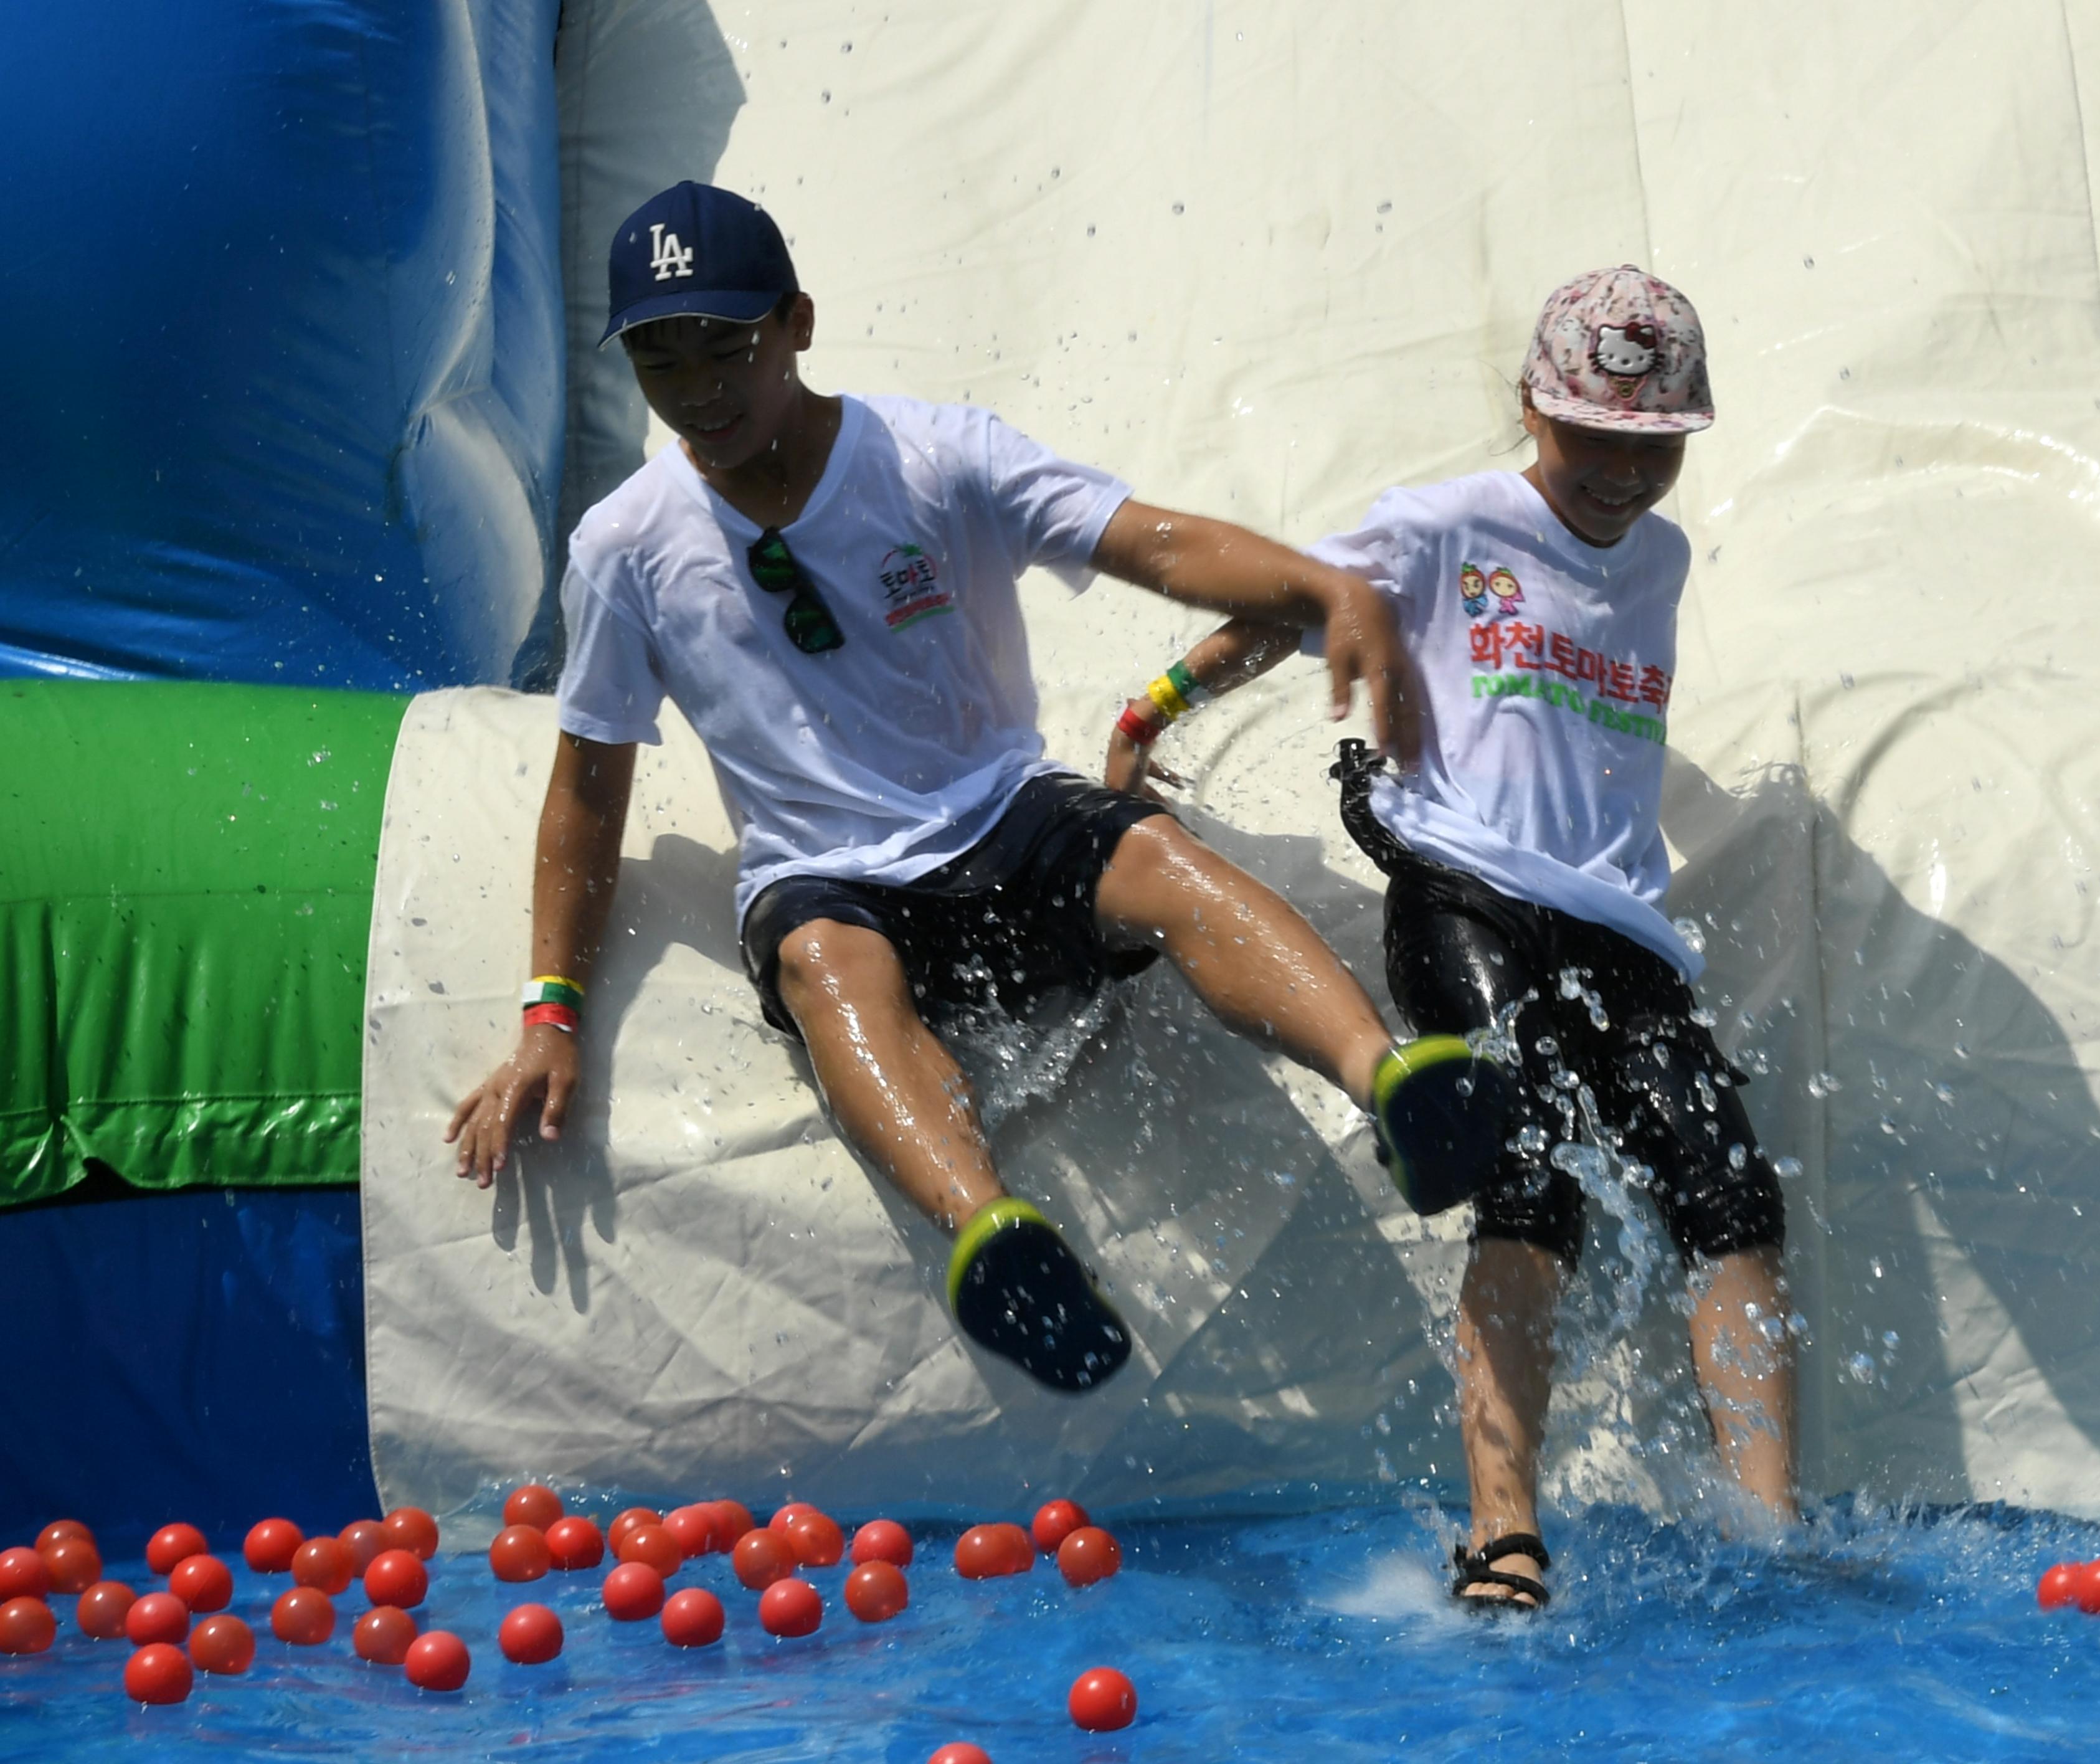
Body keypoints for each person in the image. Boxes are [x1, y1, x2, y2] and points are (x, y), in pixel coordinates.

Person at [445, 182, 1507, 1396]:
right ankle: (990, 1232)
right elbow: (588, 794)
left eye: (725, 348)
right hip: (827, 875)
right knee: (826, 967)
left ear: (795, 323)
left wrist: (1321, 589)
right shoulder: (626, 548)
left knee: (1157, 859)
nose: (698, 390)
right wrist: (549, 1014)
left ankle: (1395, 1085)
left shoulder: (931, 458)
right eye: (659, 359)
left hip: (1000, 811)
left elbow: (1148, 541)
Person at [1104, 267, 1794, 1605]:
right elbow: (1294, 606)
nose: (1616, 474)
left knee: (1729, 1194)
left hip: (1620, 929)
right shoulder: (1442, 524)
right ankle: (1502, 1531)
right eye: (1590, 438)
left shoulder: (1663, 555)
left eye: (1649, 448)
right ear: (1531, 412)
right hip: (1462, 887)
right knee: (1523, 1172)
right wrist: (1152, 710)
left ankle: (1772, 1536)